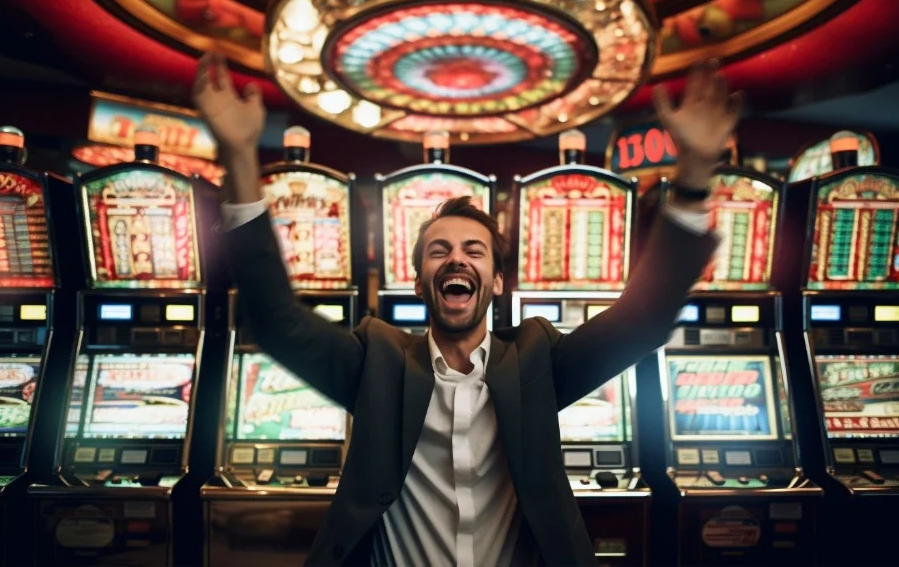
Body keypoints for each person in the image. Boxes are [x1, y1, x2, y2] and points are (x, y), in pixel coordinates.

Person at [194, 52, 739, 566]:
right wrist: (240, 157)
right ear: (419, 283)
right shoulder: (376, 359)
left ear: (496, 282)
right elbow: (275, 319)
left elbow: (640, 323)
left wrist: (692, 178)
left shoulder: (535, 360)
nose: (457, 259)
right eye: (440, 251)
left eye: (474, 251)